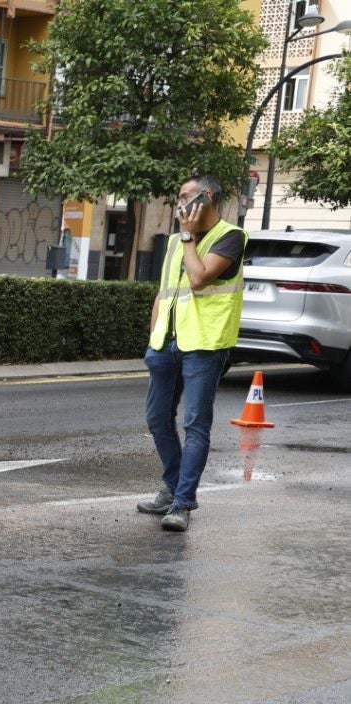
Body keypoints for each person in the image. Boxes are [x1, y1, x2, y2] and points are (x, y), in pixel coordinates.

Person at [136, 175, 246, 532]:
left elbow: (198, 278)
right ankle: (171, 487)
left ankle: (182, 503)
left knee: (195, 424)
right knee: (157, 420)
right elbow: (164, 292)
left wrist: (188, 237)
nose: (179, 203)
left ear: (207, 197)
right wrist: (154, 338)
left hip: (205, 344)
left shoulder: (230, 237)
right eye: (178, 196)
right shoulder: (173, 242)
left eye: (185, 196)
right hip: (167, 344)